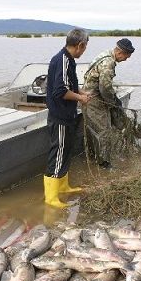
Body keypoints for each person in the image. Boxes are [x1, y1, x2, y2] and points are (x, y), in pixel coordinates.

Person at [43, 28, 91, 208]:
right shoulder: (62, 60)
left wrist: (82, 92)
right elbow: (60, 91)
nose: (84, 50)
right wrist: (81, 99)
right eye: (85, 47)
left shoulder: (69, 60)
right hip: (60, 116)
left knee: (66, 151)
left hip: (68, 115)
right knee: (57, 154)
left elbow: (70, 84)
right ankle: (51, 198)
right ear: (80, 45)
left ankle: (63, 187)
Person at [82, 38, 135, 168]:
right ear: (120, 52)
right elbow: (105, 87)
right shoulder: (108, 62)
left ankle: (93, 158)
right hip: (94, 100)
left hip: (87, 97)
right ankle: (104, 164)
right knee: (104, 131)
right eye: (126, 56)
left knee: (93, 130)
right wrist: (113, 103)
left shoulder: (104, 54)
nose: (126, 59)